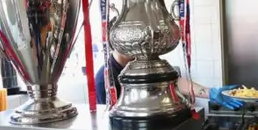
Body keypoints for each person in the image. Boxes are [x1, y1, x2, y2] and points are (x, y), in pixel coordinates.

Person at [95, 50, 242, 110]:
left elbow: (173, 81)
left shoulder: (143, 63)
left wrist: (211, 93)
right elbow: (108, 120)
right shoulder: (105, 79)